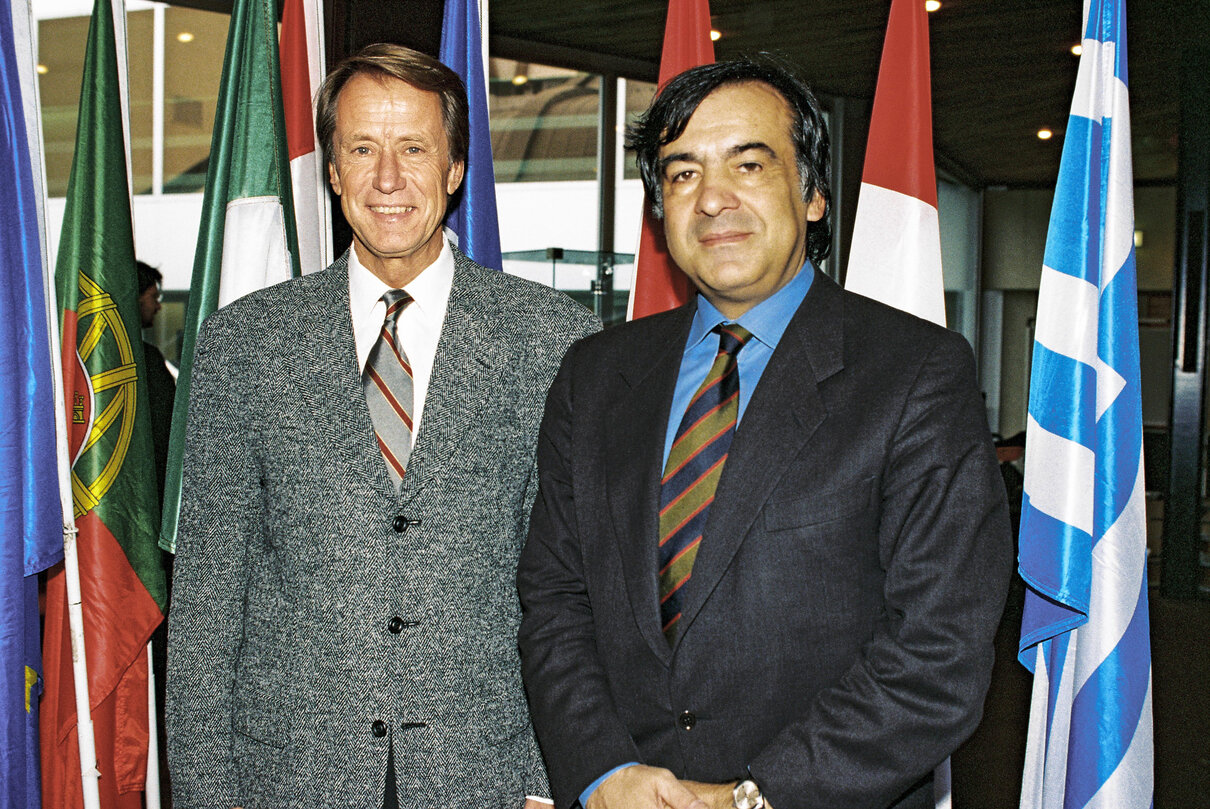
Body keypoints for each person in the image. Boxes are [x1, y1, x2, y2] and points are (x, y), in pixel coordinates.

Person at [517, 56, 1012, 809]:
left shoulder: (916, 375)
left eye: (748, 164)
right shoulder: (594, 375)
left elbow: (938, 649)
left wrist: (756, 796)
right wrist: (602, 770)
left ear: (813, 193)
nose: (713, 199)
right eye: (682, 174)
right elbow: (555, 597)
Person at [166, 43, 599, 809]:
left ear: (455, 168)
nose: (388, 179)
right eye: (362, 149)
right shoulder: (246, 345)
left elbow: (575, 591)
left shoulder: (553, 340)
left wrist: (547, 780)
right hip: (288, 780)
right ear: (332, 172)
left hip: (489, 780)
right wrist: (207, 793)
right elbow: (207, 606)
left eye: (414, 149)